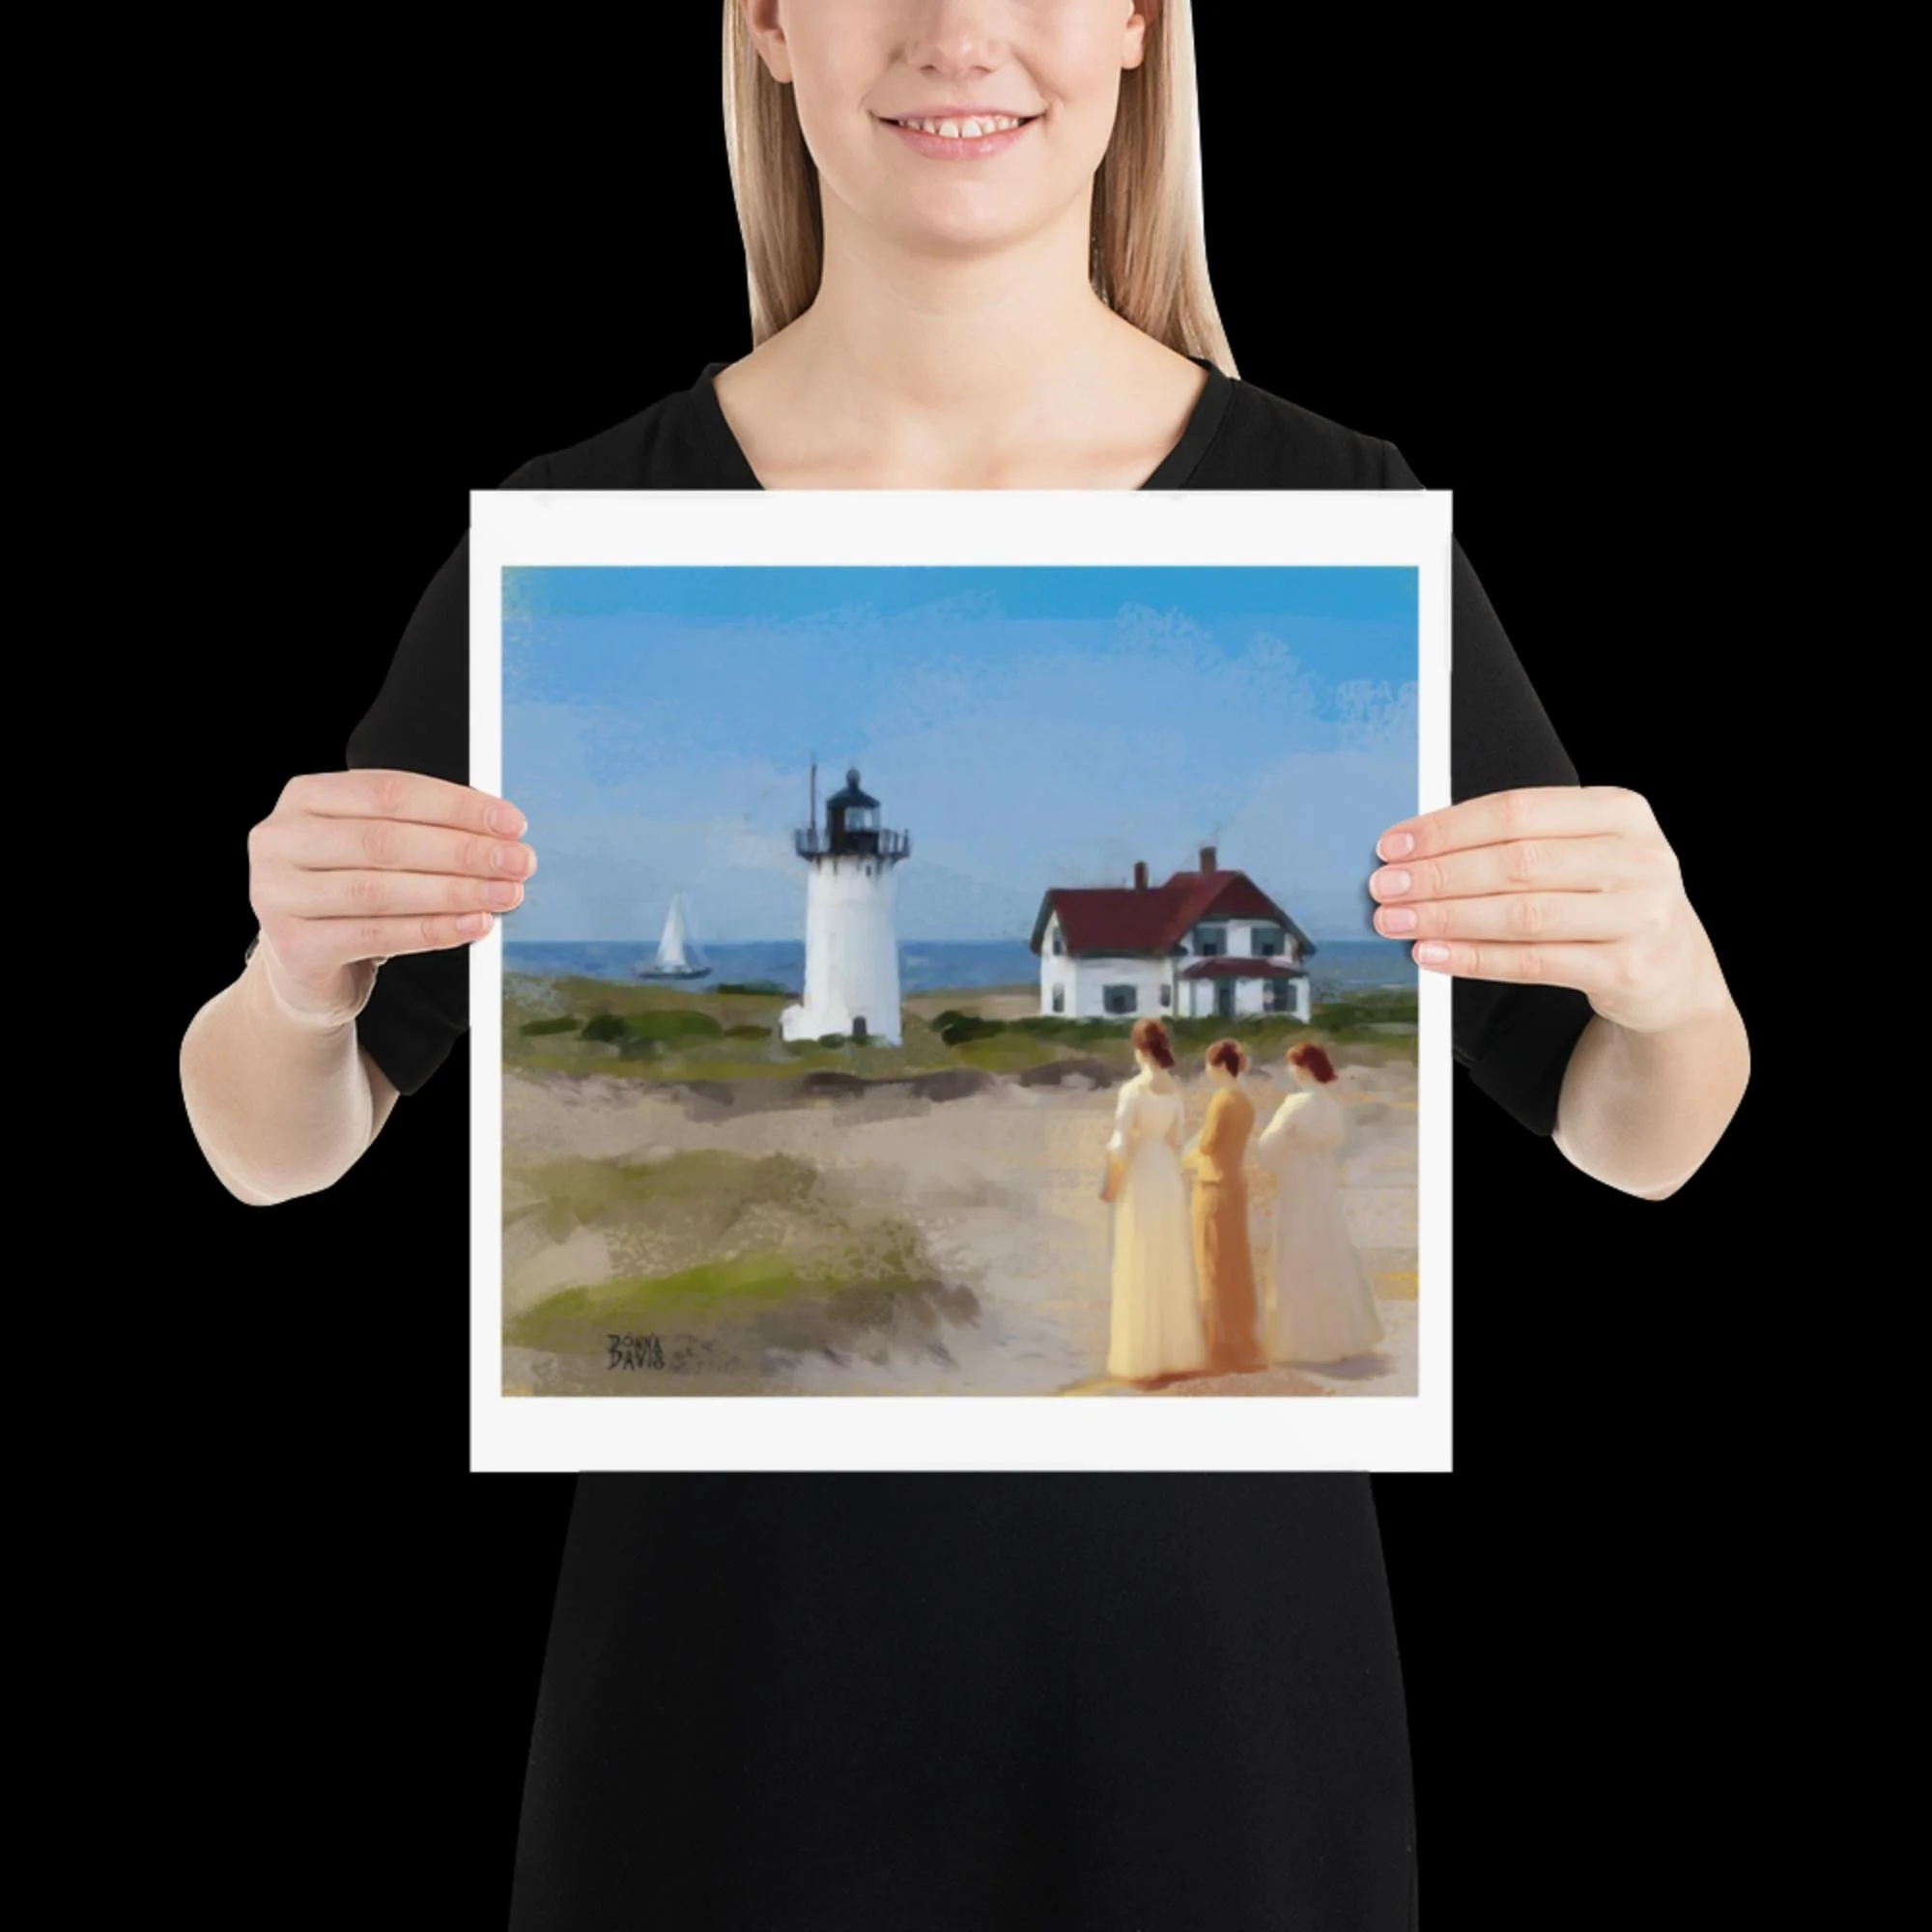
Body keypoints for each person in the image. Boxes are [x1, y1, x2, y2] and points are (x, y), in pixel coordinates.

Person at [178, 6, 1749, 1924]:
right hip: (717, 1725)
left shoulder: (1341, 514)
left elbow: (1633, 1135)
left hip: (1220, 1725)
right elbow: (275, 1146)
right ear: (762, 22)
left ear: (1137, 29)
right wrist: (290, 985)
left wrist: (1669, 980)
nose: (956, 28)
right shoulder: (572, 537)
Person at [1255, 1041, 1387, 1366]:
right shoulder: (1331, 1104)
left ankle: (1303, 1340)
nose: (1289, 1071)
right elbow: (1338, 1143)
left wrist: (1283, 1159)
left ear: (1302, 1067)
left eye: (1291, 1065)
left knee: (1298, 1251)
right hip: (1323, 1182)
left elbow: (1266, 1145)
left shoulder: (1296, 1102)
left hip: (1299, 1181)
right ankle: (1340, 1335)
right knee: (1329, 1251)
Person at [1101, 1017, 1208, 1385]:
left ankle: (1141, 1356)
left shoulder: (1133, 1089)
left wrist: (1110, 1186)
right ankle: (1173, 1353)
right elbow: (1177, 1140)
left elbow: (1119, 1145)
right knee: (1168, 1256)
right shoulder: (1174, 1088)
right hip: (1166, 1173)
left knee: (1139, 1254)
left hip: (1142, 1172)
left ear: (1138, 1048)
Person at [1181, 1037, 1265, 1374]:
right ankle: (1241, 1340)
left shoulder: (1222, 1100)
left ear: (1218, 1066)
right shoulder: (1245, 1101)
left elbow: (1208, 1144)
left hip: (1213, 1186)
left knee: (1211, 1265)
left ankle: (1216, 1345)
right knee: (1235, 1264)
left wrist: (1186, 1155)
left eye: (1208, 1064)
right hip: (1236, 1184)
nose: (1206, 1070)